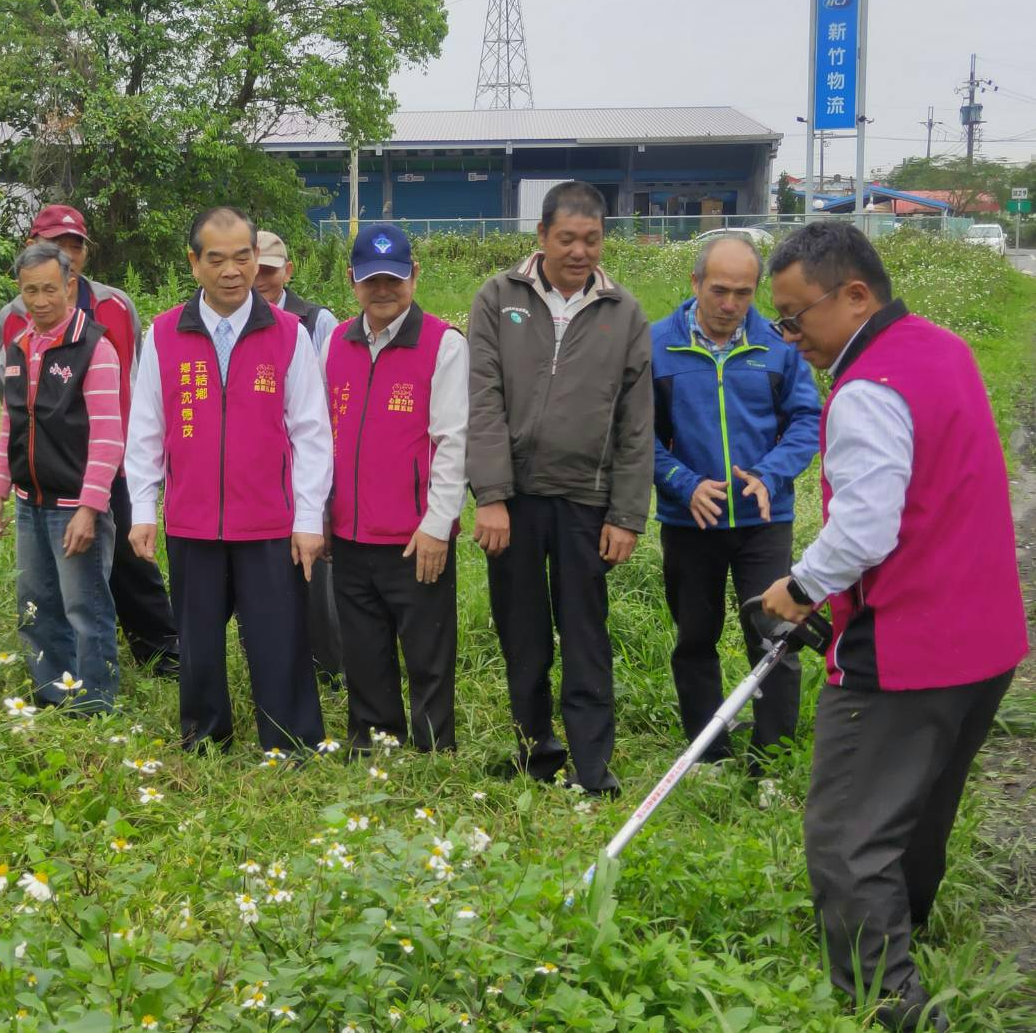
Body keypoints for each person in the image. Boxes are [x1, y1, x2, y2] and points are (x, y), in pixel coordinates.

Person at [761, 223, 1025, 1032]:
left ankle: (889, 1009)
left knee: (845, 836)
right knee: (915, 814)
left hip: (904, 650)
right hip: (984, 643)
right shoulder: (941, 348)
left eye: (794, 317)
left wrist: (798, 586)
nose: (789, 337)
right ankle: (899, 933)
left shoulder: (866, 388)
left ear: (853, 297)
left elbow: (866, 529)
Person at [466, 181, 653, 796]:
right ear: (542, 237)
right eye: (567, 238)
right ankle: (534, 751)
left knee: (585, 635)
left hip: (585, 501)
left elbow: (636, 422)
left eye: (592, 240)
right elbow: (484, 401)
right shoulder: (498, 298)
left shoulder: (622, 313)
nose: (579, 252)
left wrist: (626, 514)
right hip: (514, 502)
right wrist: (490, 495)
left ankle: (592, 767)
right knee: (522, 633)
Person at [125, 206, 331, 752]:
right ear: (194, 264)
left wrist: (309, 519)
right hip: (191, 521)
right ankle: (205, 736)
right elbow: (146, 428)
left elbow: (312, 433)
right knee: (198, 642)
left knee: (278, 637)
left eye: (244, 257)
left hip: (269, 520)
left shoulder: (289, 334)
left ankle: (290, 742)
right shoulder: (165, 333)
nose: (233, 271)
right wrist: (144, 510)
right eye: (217, 259)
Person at [651, 234, 821, 770]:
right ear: (696, 282)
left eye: (743, 293)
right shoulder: (656, 345)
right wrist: (682, 481)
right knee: (695, 639)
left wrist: (771, 476)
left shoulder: (778, 346)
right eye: (719, 290)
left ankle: (771, 759)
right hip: (689, 521)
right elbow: (634, 435)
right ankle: (710, 756)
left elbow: (807, 420)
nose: (730, 305)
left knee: (775, 638)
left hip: (764, 520)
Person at [0, 204, 181, 677]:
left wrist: (131, 459)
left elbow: (135, 382)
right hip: (43, 472)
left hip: (108, 463)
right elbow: (12, 407)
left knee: (128, 566)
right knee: (46, 588)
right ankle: (56, 680)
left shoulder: (115, 308)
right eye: (57, 245)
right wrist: (0, 483)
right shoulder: (12, 325)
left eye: (75, 246)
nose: (68, 254)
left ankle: (159, 654)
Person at [321, 224, 467, 751]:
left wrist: (436, 525)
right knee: (363, 648)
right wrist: (321, 514)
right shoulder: (336, 341)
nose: (384, 290)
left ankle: (433, 749)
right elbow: (321, 436)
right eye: (371, 280)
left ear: (414, 277)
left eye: (395, 280)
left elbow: (454, 443)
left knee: (427, 651)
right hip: (351, 532)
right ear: (353, 281)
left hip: (415, 537)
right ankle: (374, 740)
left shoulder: (443, 344)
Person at [0, 242, 123, 713]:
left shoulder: (94, 347)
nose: (40, 301)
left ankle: (95, 705)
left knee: (85, 609)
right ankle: (51, 697)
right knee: (36, 607)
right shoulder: (20, 345)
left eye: (49, 289)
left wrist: (90, 507)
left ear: (69, 286)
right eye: (29, 291)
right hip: (29, 501)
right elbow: (11, 423)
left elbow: (108, 437)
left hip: (73, 507)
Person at [254, 229, 343, 685]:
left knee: (314, 575)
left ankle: (327, 667)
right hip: (259, 476)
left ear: (287, 271)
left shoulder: (315, 321)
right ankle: (277, 663)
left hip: (305, 469)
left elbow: (324, 406)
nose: (261, 281)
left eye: (270, 272)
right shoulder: (235, 319)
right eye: (257, 270)